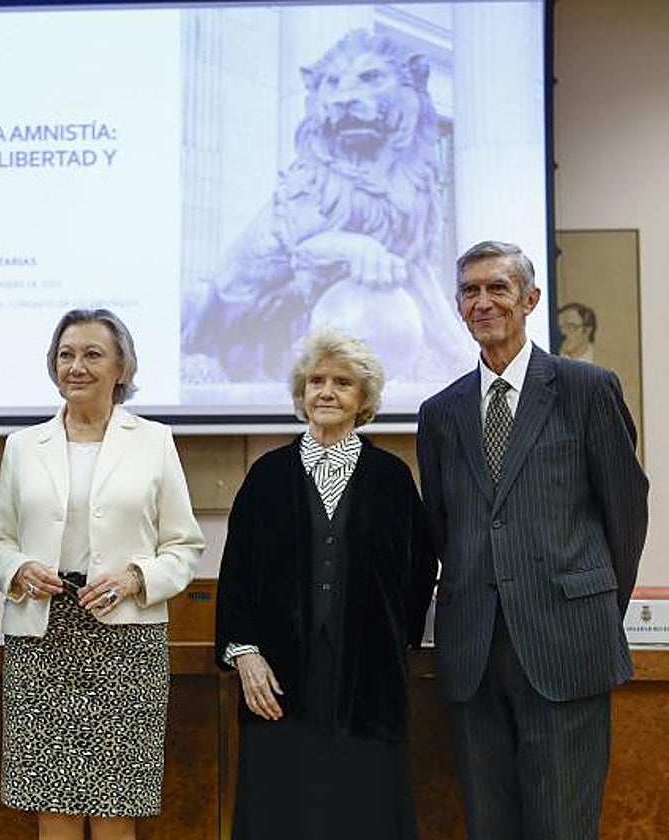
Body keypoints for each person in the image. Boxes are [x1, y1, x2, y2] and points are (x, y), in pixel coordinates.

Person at [417, 241, 649, 840]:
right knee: (489, 824)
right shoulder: (440, 412)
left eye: (498, 287)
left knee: (562, 827)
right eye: (470, 291)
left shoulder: (586, 389)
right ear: (459, 306)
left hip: (566, 643)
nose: (483, 301)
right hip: (474, 649)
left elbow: (625, 514)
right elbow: (443, 526)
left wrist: (590, 609)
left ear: (530, 299)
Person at [0, 308, 203, 840]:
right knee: (52, 807)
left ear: (121, 367)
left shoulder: (153, 440)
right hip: (42, 637)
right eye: (66, 355)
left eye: (91, 354)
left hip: (126, 640)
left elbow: (184, 546)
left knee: (113, 810)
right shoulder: (22, 445)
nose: (75, 367)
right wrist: (17, 570)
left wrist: (135, 578)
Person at [213, 329, 436, 840]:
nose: (326, 392)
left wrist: (389, 643)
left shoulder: (391, 477)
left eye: (342, 382)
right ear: (301, 392)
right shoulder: (267, 475)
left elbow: (421, 569)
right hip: (279, 680)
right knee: (283, 809)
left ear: (364, 400)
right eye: (316, 381)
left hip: (367, 684)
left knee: (363, 810)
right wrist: (246, 655)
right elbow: (238, 574)